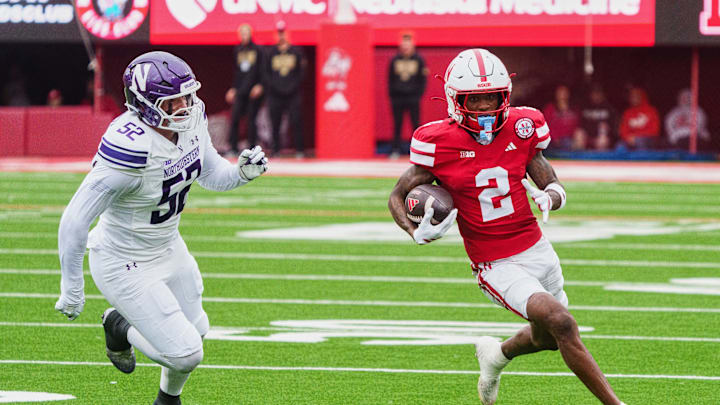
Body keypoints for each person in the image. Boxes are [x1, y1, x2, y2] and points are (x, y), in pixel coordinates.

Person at [388, 49, 626, 405]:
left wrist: (552, 196)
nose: (485, 107)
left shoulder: (522, 125)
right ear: (456, 100)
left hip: (537, 248)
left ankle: (496, 355)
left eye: (491, 97)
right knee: (561, 322)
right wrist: (414, 231)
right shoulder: (438, 141)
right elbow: (396, 195)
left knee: (547, 337)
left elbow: (548, 178)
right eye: (475, 99)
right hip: (494, 263)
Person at [54, 51, 268, 405]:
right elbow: (75, 218)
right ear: (145, 105)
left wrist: (241, 173)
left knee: (197, 330)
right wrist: (72, 287)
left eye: (187, 96)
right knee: (187, 353)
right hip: (123, 261)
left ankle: (167, 399)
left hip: (168, 246)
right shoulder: (131, 147)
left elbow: (211, 173)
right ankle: (118, 326)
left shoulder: (191, 119)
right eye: (173, 101)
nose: (186, 105)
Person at [264, 20, 306, 157]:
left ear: (288, 34)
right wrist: (275, 87)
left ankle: (299, 150)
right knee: (275, 122)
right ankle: (276, 150)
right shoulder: (270, 52)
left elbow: (302, 72)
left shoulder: (296, 52)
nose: (281, 36)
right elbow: (266, 73)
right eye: (279, 33)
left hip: (292, 93)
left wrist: (292, 87)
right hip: (275, 94)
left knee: (296, 120)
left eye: (283, 33)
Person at [225, 23, 266, 156]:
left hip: (253, 90)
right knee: (235, 117)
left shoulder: (258, 50)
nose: (244, 35)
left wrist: (260, 85)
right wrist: (233, 88)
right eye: (242, 33)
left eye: (246, 32)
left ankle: (253, 148)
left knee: (251, 120)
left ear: (251, 34)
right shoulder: (238, 50)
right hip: (240, 90)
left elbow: (262, 69)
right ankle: (233, 148)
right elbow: (237, 72)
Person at [388, 33, 427, 158]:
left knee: (415, 124)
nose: (405, 48)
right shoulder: (395, 60)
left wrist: (418, 94)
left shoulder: (419, 60)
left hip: (413, 97)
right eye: (403, 45)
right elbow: (390, 79)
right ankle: (395, 149)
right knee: (397, 124)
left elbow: (423, 79)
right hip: (398, 98)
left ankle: (418, 149)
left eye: (408, 45)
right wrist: (393, 95)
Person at [578, 83, 618, 151]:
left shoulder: (609, 109)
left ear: (602, 94)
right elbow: (580, 126)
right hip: (588, 137)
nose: (596, 95)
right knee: (578, 134)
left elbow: (613, 129)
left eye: (598, 93)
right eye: (594, 93)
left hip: (603, 138)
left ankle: (599, 160)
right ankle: (579, 160)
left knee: (602, 136)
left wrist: (605, 133)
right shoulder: (585, 107)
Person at [618, 86, 660, 150]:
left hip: (648, 139)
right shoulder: (627, 112)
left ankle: (644, 160)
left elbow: (655, 130)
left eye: (636, 95)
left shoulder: (651, 110)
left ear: (642, 96)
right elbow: (623, 130)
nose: (634, 98)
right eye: (632, 96)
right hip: (631, 139)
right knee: (620, 145)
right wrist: (628, 137)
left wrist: (636, 136)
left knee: (640, 142)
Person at [542, 84, 580, 151]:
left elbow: (577, 125)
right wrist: (555, 138)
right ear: (556, 94)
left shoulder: (574, 109)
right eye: (560, 92)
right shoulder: (550, 109)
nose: (563, 95)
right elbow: (545, 125)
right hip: (554, 140)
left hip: (570, 139)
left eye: (565, 92)